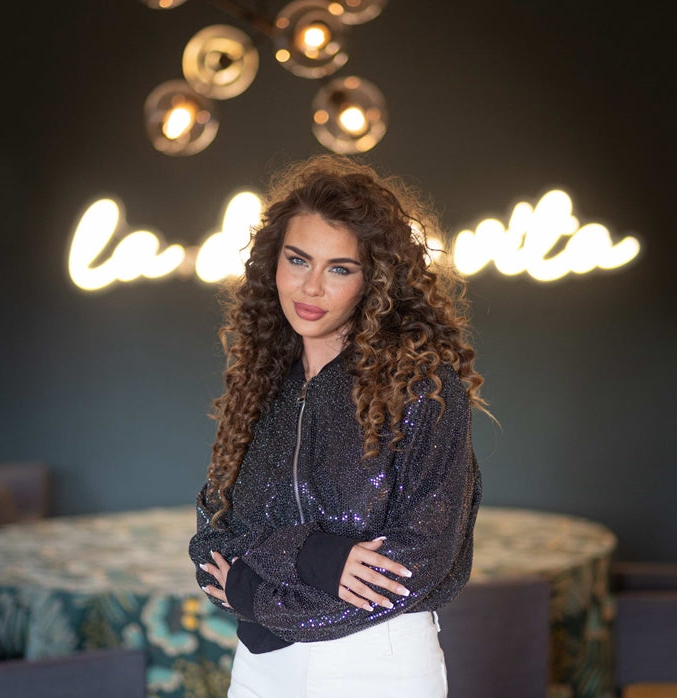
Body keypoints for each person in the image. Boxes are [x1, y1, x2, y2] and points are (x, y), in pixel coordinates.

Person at [188, 155, 488, 697]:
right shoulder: (261, 385)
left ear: (374, 281)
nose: (311, 288)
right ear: (273, 262)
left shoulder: (422, 388)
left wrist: (255, 596)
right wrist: (316, 557)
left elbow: (420, 558)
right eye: (298, 260)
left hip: (377, 663)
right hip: (259, 669)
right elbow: (212, 541)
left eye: (340, 269)